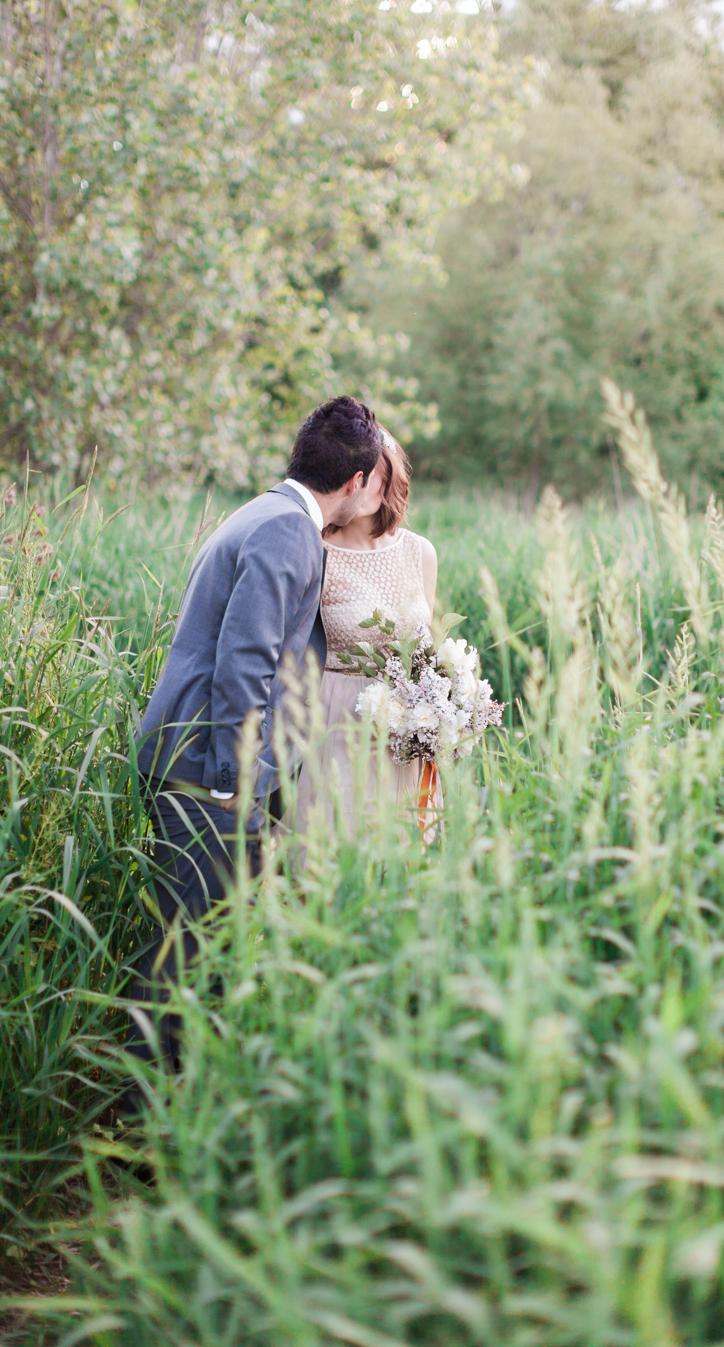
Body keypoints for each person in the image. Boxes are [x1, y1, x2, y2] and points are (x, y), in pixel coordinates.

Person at [128, 396, 382, 1082]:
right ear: (355, 483)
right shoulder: (286, 533)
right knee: (183, 952)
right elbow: (246, 660)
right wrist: (235, 777)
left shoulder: (265, 512)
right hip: (205, 768)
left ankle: (179, 1102)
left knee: (199, 944)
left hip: (196, 759)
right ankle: (137, 1125)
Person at [294, 427, 442, 842]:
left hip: (403, 736)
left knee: (401, 858)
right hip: (335, 723)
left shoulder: (420, 553)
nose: (360, 480)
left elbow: (427, 649)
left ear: (390, 477)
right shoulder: (316, 551)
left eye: (373, 471)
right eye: (355, 471)